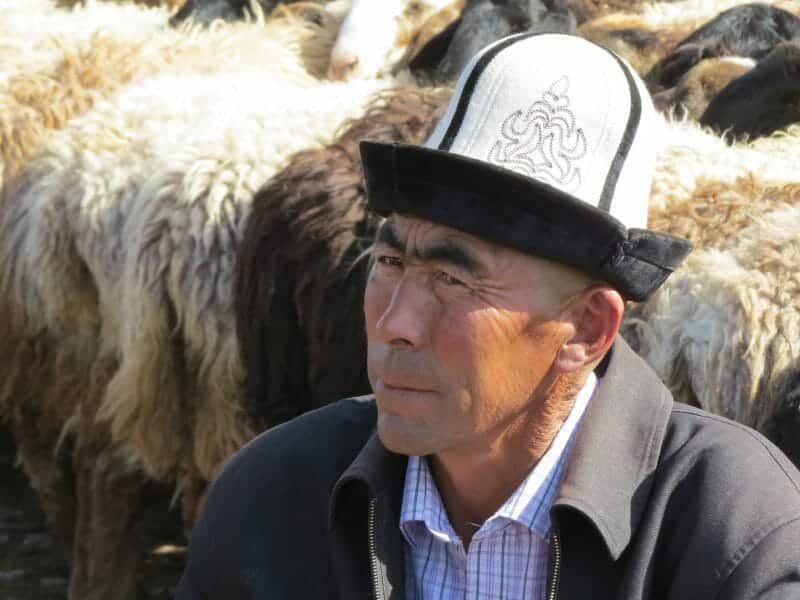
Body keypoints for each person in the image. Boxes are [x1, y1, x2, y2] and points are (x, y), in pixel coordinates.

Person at [176, 33, 800, 599]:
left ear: (586, 329)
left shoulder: (732, 535)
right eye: (391, 261)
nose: (396, 322)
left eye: (452, 279)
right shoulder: (270, 502)